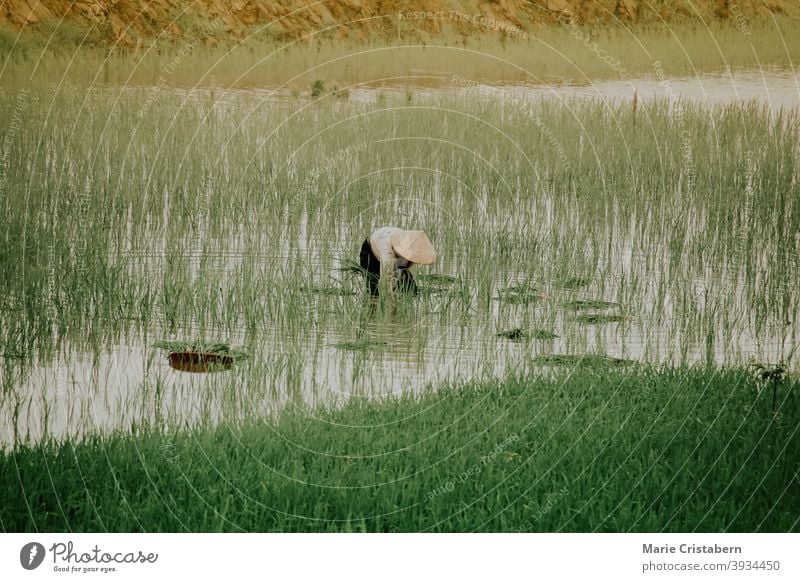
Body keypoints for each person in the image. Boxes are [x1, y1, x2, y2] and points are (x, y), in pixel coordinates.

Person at [359, 227, 436, 296]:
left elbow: (403, 268)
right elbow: (386, 281)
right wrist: (391, 299)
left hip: (388, 246)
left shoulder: (408, 240)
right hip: (370, 251)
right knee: (374, 289)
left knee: (410, 289)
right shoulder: (387, 253)